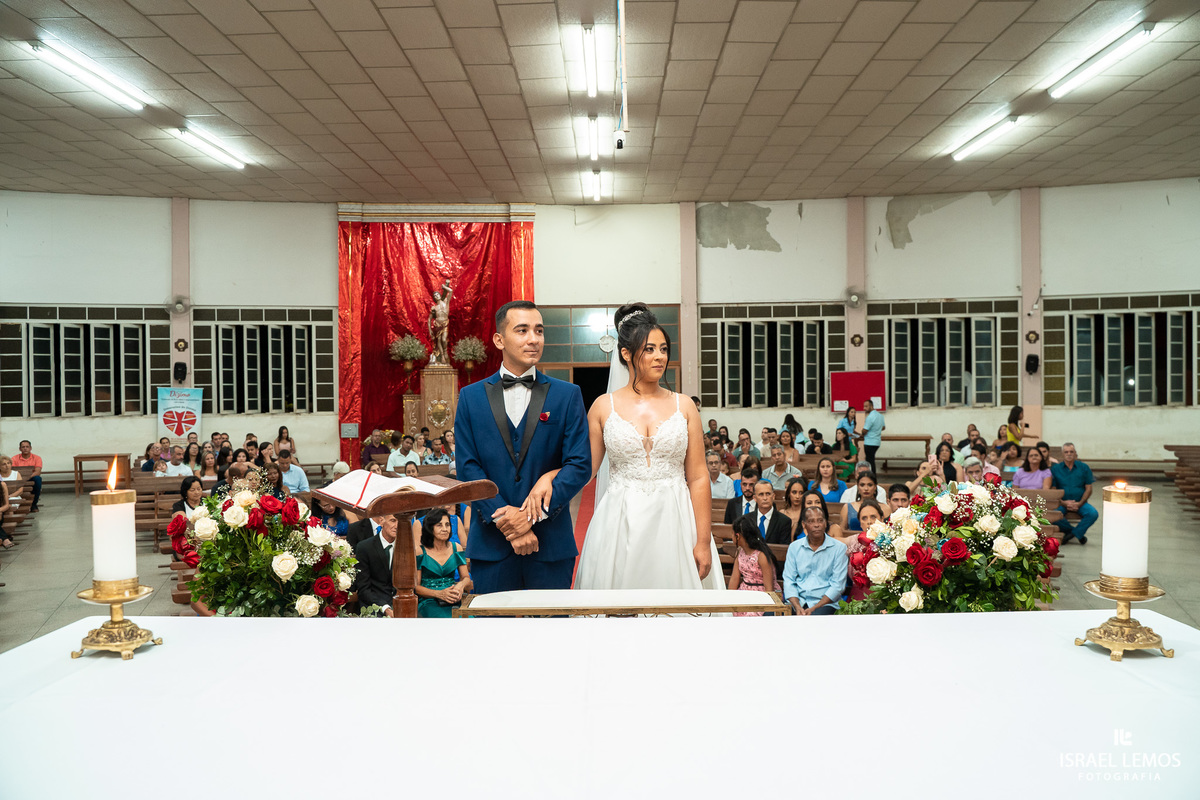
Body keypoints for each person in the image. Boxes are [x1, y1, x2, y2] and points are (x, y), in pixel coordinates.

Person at [555, 303, 721, 590]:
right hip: (620, 519)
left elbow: (697, 476)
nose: (660, 357)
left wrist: (703, 541)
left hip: (676, 518)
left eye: (664, 349)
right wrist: (549, 479)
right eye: (649, 349)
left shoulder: (685, 407)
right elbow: (585, 470)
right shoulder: (602, 407)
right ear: (626, 354)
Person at [456, 300, 591, 594]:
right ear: (499, 339)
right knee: (494, 635)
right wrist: (508, 521)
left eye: (539, 330)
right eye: (522, 330)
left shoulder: (567, 395)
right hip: (491, 545)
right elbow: (467, 468)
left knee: (551, 635)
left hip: (550, 544)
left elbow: (580, 464)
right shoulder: (470, 397)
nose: (534, 339)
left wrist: (529, 518)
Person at [783, 506, 849, 616]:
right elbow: (789, 580)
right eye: (811, 521)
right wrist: (797, 606)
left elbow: (837, 586)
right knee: (769, 615)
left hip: (826, 604)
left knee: (814, 619)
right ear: (804, 525)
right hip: (799, 602)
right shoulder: (794, 547)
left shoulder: (839, 548)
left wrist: (814, 608)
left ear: (826, 523)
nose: (816, 525)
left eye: (820, 520)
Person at [414, 507, 471, 618]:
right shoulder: (420, 551)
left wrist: (460, 585)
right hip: (429, 600)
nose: (445, 529)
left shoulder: (456, 548)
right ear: (430, 528)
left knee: (469, 621)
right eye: (439, 525)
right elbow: (416, 587)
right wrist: (439, 594)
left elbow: (466, 578)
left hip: (453, 599)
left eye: (447, 525)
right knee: (445, 621)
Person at [727, 514, 781, 616]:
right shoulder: (740, 552)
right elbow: (734, 579)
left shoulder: (761, 556)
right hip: (745, 592)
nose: (732, 536)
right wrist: (729, 598)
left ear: (737, 536)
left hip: (761, 594)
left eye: (732, 533)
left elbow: (769, 588)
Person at [1051, 443, 1097, 545]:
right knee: (1053, 515)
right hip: (1062, 503)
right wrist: (1063, 503)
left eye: (1071, 452)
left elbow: (1089, 488)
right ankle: (1076, 533)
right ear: (1062, 454)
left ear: (1075, 453)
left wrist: (1080, 503)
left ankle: (1071, 535)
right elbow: (1053, 489)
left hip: (1080, 502)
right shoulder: (1055, 469)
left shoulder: (1084, 467)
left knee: (1093, 513)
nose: (1069, 454)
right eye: (1066, 452)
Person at [354, 514, 399, 616]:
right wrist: (385, 608)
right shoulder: (365, 547)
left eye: (400, 521)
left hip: (399, 603)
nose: (397, 525)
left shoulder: (405, 547)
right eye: (393, 520)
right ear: (381, 521)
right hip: (374, 604)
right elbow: (363, 588)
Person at [746, 479, 791, 545]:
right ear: (755, 498)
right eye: (761, 494)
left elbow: (783, 549)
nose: (765, 498)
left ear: (773, 496)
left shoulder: (784, 521)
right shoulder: (746, 520)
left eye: (768, 494)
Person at [12, 440, 43, 512]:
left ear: (30, 448)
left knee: (38, 479)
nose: (25, 448)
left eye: (27, 447)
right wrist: (21, 478)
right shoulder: (14, 459)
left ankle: (34, 504)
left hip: (31, 478)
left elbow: (37, 472)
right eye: (23, 447)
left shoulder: (37, 458)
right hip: (18, 479)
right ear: (20, 449)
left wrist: (27, 478)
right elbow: (13, 472)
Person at [860, 400, 884, 474]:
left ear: (871, 406)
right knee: (872, 460)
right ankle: (872, 476)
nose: (864, 408)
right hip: (877, 442)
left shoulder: (870, 417)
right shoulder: (880, 416)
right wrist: (876, 430)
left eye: (866, 406)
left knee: (870, 462)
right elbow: (883, 427)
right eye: (864, 406)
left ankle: (871, 476)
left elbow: (865, 430)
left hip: (869, 442)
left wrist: (862, 433)